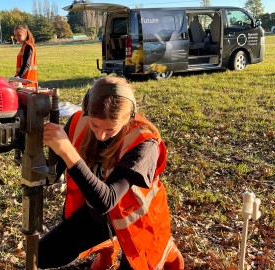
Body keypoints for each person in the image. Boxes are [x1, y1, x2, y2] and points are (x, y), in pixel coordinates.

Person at [40, 76, 184, 270]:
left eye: (110, 129)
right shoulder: (78, 121)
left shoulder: (143, 142)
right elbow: (51, 173)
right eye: (95, 125)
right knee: (41, 256)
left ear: (128, 118)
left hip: (139, 225)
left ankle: (167, 248)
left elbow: (106, 201)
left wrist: (67, 151)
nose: (100, 135)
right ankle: (108, 244)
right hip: (96, 218)